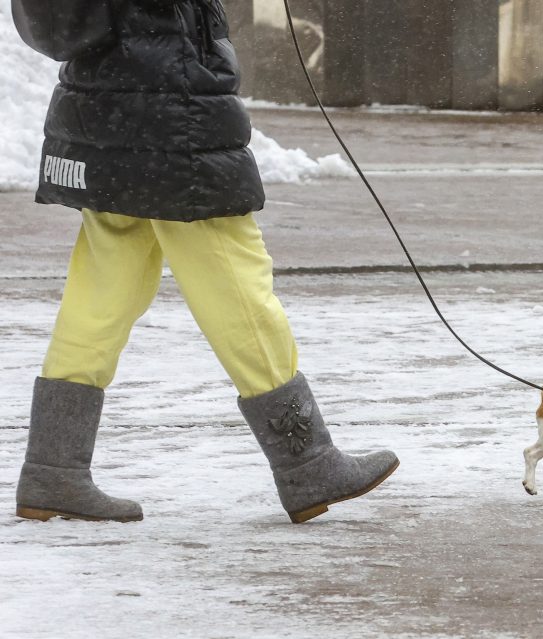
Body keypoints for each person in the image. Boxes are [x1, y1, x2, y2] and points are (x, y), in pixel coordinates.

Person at [11, 0, 398, 524]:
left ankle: (53, 470)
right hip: (174, 122)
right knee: (236, 285)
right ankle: (307, 461)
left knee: (102, 291)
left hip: (115, 113)